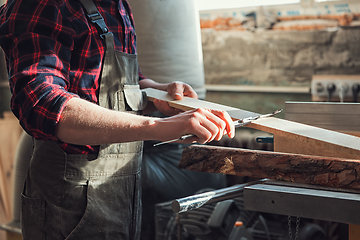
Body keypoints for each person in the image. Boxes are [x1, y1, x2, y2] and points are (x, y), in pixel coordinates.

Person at [0, 0, 235, 239]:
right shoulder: (42, 4)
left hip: (123, 191)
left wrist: (158, 92)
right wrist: (159, 127)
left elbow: (122, 79)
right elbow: (42, 103)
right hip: (68, 200)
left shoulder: (117, 4)